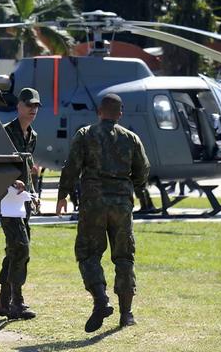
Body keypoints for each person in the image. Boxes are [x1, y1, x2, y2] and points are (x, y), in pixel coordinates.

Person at [57, 93, 150, 332]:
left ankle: (101, 300)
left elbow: (72, 166)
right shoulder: (131, 138)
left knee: (88, 254)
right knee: (124, 257)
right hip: (121, 206)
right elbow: (142, 171)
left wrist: (62, 195)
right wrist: (137, 190)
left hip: (93, 204)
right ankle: (126, 314)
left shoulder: (86, 135)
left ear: (99, 112)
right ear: (120, 113)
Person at [0, 88, 41, 320]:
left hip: (22, 202)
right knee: (21, 247)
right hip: (5, 201)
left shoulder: (32, 136)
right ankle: (16, 302)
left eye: (36, 106)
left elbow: (28, 170)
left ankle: (4, 302)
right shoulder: (4, 133)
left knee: (15, 249)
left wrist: (33, 193)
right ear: (18, 106)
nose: (33, 109)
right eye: (29, 105)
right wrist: (12, 180)